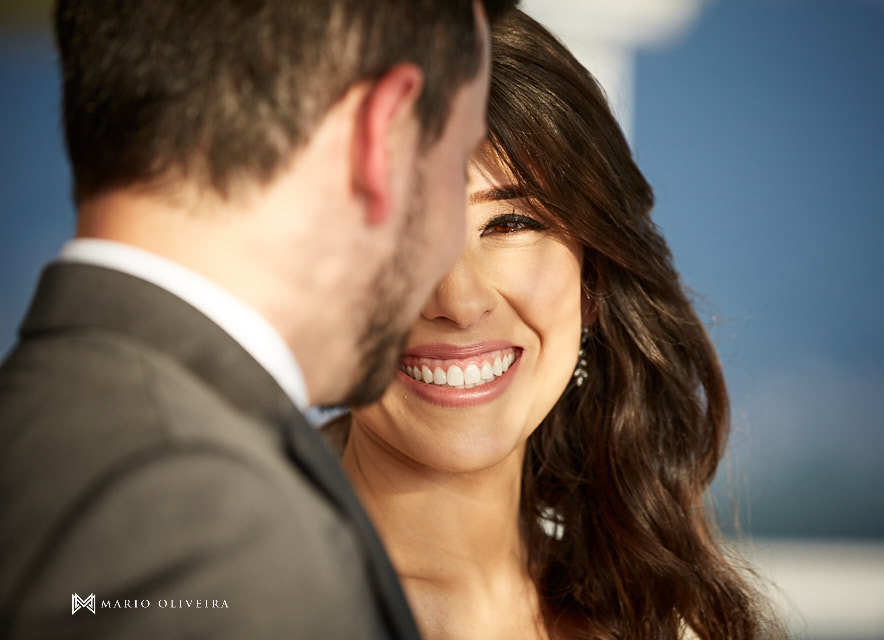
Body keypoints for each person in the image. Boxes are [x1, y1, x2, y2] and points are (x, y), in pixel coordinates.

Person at [0, 1, 516, 638]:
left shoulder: (51, 419)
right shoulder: (217, 532)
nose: (457, 294)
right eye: (453, 162)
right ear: (380, 138)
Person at [326, 8, 781, 640]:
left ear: (594, 277)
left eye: (512, 223)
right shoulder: (230, 596)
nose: (459, 300)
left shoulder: (667, 617)